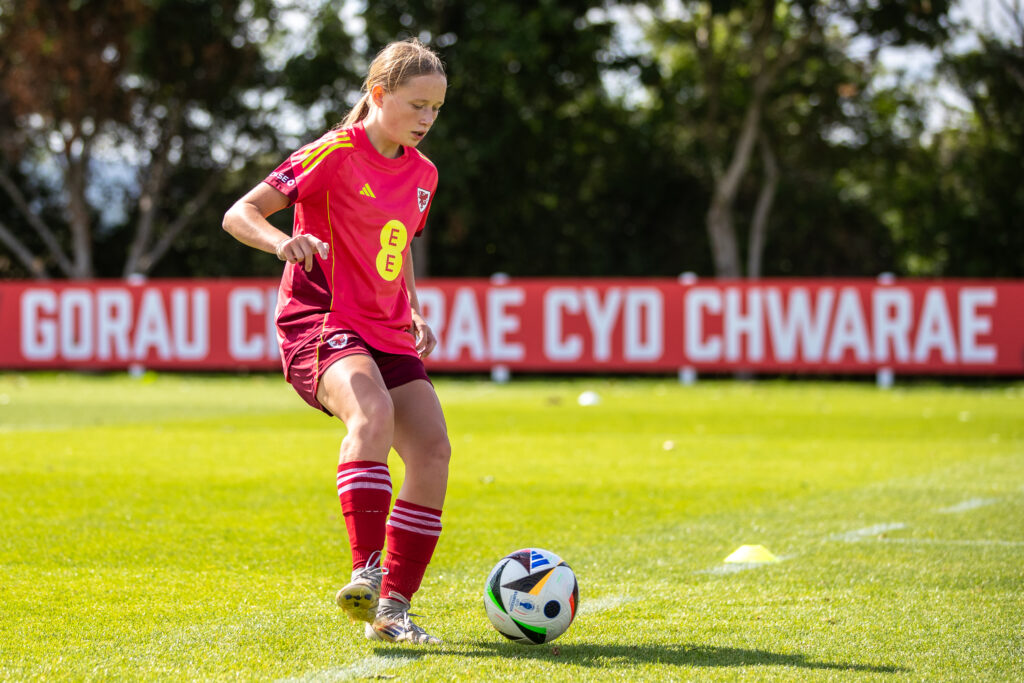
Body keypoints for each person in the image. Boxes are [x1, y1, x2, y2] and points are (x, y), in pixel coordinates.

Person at [222, 38, 450, 645]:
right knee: (371, 413)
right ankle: (366, 570)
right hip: (320, 318)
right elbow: (240, 211)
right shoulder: (333, 152)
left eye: (436, 109)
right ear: (378, 95)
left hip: (386, 327)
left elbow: (396, 248)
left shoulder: (423, 173)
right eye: (416, 105)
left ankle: (393, 611)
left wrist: (416, 309)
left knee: (432, 451)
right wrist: (280, 243)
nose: (427, 119)